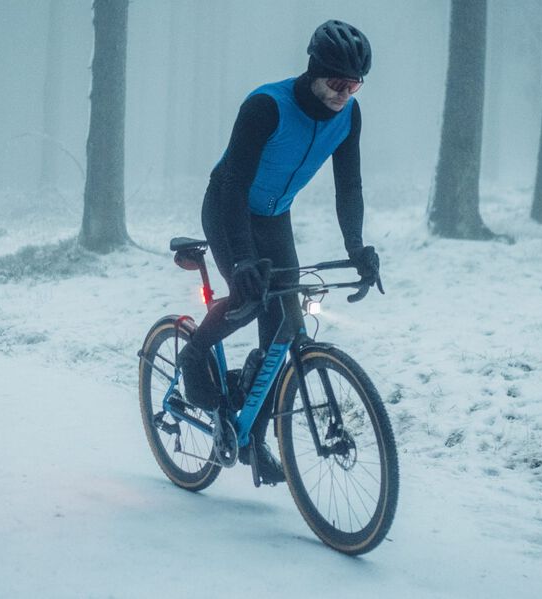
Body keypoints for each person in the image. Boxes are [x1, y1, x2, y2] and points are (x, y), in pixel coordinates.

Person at [177, 20, 381, 484]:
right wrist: (244, 259)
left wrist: (357, 248)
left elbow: (348, 186)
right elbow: (232, 184)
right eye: (337, 82)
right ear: (314, 69)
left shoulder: (349, 117)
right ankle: (193, 355)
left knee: (284, 328)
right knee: (250, 299)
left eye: (354, 85)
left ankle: (253, 438)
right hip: (229, 206)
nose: (344, 94)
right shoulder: (266, 107)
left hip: (274, 216)